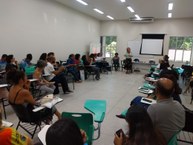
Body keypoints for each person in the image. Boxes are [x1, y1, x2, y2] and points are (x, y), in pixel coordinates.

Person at [147, 78, 185, 142]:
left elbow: (145, 128)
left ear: (156, 91)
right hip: (171, 140)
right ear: (173, 91)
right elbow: (181, 125)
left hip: (158, 141)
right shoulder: (178, 105)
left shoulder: (154, 108)